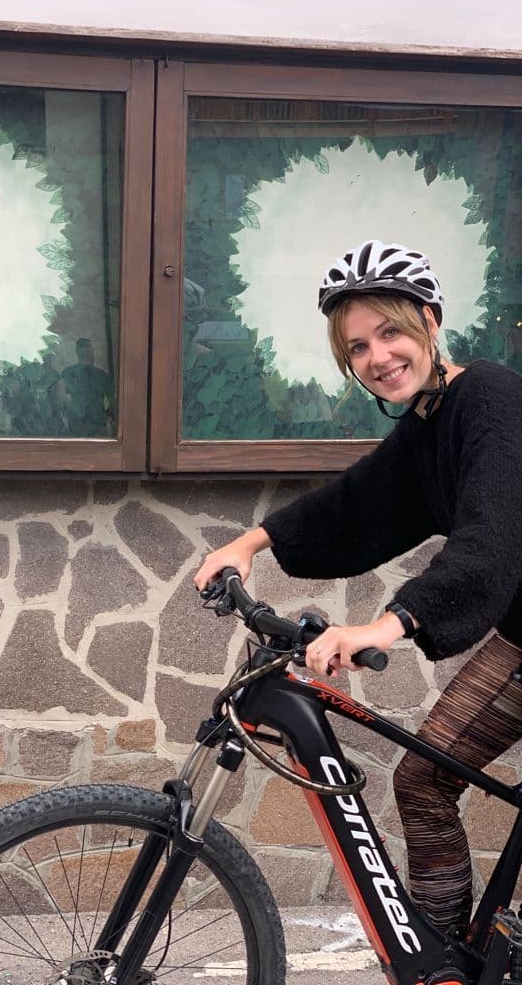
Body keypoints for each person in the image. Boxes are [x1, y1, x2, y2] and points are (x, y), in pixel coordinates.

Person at [194, 239, 522, 936]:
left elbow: (491, 542)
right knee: (424, 779)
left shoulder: (491, 398)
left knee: (427, 776)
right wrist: (251, 543)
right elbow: (357, 503)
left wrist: (387, 625)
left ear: (430, 321)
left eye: (390, 332)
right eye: (358, 347)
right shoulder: (429, 421)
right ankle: (442, 965)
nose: (378, 357)